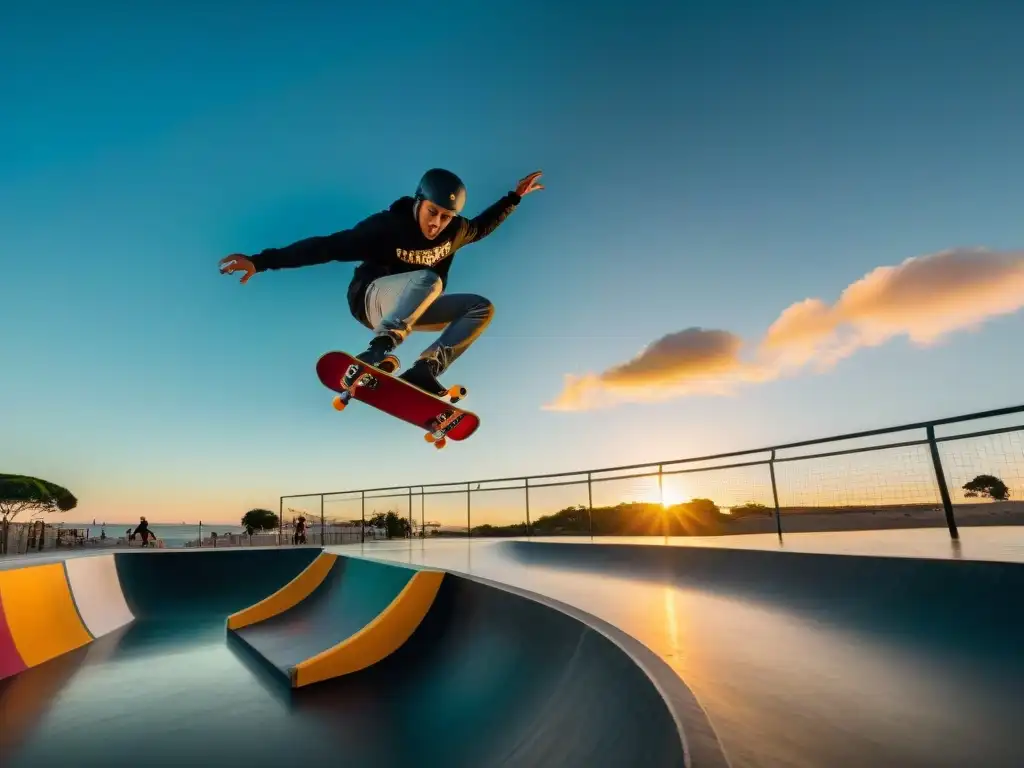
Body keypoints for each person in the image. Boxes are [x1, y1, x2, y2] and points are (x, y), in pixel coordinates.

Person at [218, 168, 544, 395]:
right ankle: (379, 349)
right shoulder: (386, 228)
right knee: (430, 279)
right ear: (419, 201)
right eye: (432, 212)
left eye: (446, 217)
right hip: (369, 299)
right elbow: (326, 247)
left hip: (411, 308)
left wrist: (514, 198)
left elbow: (483, 226)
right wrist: (261, 261)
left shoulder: (455, 231)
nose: (437, 224)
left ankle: (425, 370)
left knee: (480, 308)